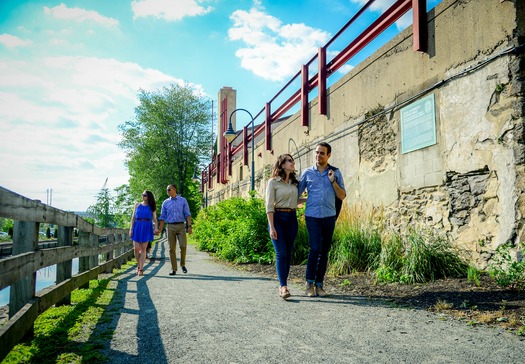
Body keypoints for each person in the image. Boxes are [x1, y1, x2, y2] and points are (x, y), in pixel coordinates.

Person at [298, 142, 346, 297]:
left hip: (329, 216)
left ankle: (319, 285)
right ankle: (309, 283)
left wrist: (333, 181)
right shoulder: (307, 173)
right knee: (315, 248)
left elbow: (342, 196)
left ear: (329, 155)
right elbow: (297, 195)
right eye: (317, 153)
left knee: (324, 251)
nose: (318, 155)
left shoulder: (336, 173)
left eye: (322, 153)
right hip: (312, 216)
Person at [265, 154, 302, 300]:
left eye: (293, 161)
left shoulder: (294, 183)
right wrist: (272, 227)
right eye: (289, 161)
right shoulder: (273, 182)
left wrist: (310, 198)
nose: (293, 163)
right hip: (278, 219)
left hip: (292, 219)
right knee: (281, 253)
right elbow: (269, 205)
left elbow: (295, 200)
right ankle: (283, 286)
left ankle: (283, 284)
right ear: (282, 165)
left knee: (288, 253)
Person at [158, 184, 192, 276]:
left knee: (183, 246)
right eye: (167, 190)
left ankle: (182, 264)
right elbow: (162, 217)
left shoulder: (182, 200)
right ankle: (173, 269)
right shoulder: (165, 202)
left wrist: (189, 226)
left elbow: (187, 214)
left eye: (169, 190)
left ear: (174, 190)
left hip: (181, 225)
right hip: (170, 226)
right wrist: (160, 228)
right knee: (171, 248)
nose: (167, 191)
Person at [129, 190, 158, 276]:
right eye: (142, 195)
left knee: (144, 248)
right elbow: (133, 217)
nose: (143, 196)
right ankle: (138, 265)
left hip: (147, 227)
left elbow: (155, 219)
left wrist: (156, 228)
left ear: (148, 196)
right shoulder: (137, 205)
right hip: (137, 226)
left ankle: (141, 268)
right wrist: (131, 229)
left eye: (144, 195)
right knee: (136, 248)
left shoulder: (151, 206)